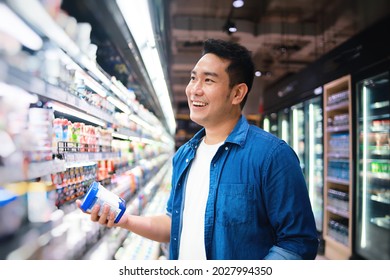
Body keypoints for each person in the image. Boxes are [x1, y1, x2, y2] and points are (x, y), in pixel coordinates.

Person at [77, 38, 319, 260]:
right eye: (193, 78)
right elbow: (174, 223)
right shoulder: (183, 156)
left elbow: (297, 243)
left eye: (209, 80)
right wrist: (126, 220)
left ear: (237, 93)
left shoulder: (272, 156)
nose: (195, 89)